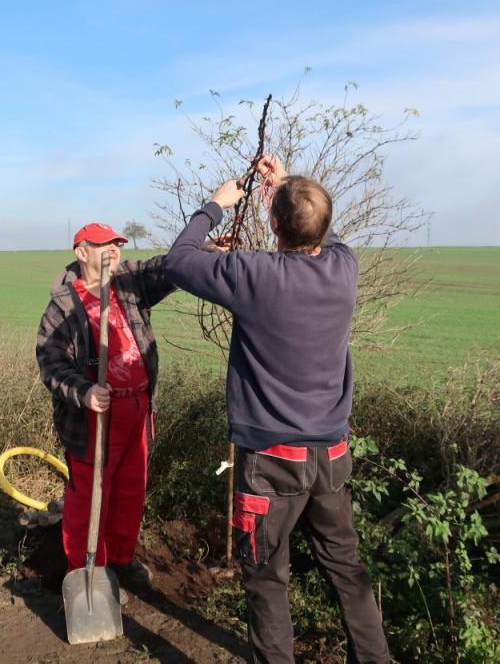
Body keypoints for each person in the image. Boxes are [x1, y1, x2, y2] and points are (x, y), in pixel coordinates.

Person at [164, 157, 391, 663]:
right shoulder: (345, 267)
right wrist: (286, 185)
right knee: (346, 568)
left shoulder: (254, 274)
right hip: (331, 456)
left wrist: (216, 206)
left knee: (267, 577)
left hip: (271, 462)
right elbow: (322, 231)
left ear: (272, 223)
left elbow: (178, 261)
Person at [36, 222, 176, 591]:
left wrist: (203, 252)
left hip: (138, 411)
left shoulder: (128, 282)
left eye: (116, 244)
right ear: (81, 252)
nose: (113, 250)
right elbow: (51, 362)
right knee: (91, 497)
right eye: (103, 245)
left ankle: (121, 558)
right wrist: (84, 392)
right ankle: (88, 573)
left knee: (131, 490)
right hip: (95, 419)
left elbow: (166, 268)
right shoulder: (64, 306)